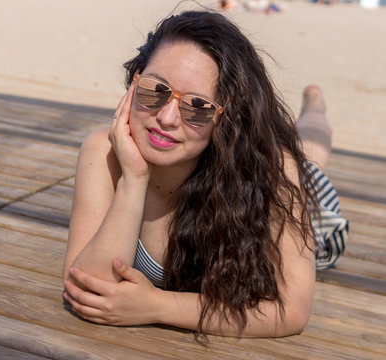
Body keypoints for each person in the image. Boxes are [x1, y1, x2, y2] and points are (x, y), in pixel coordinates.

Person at [62, 10, 348, 338]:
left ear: (226, 118)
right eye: (156, 90)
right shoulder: (106, 152)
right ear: (135, 81)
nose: (167, 118)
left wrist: (156, 305)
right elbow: (86, 290)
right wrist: (134, 180)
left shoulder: (273, 173)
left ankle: (315, 105)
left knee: (309, 155)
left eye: (197, 107)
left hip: (311, 206)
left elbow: (292, 311)